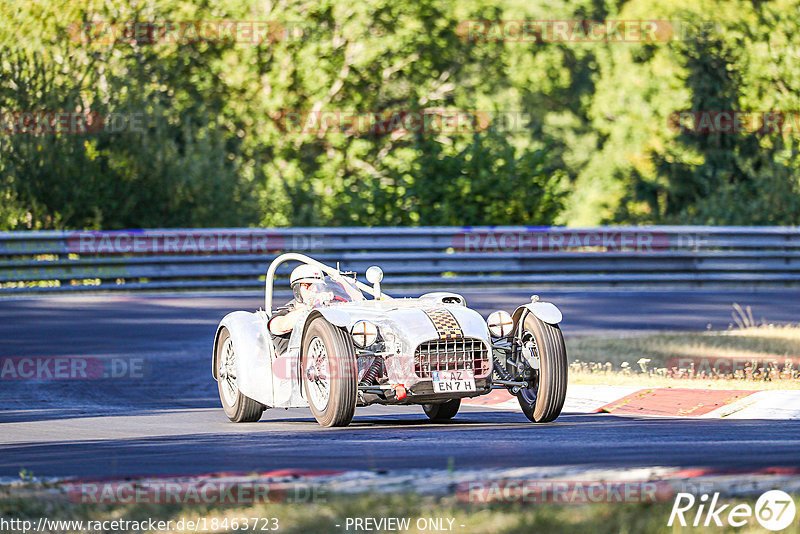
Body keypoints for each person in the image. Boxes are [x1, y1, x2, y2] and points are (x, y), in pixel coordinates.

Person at [268, 265, 326, 355]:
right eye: (308, 285)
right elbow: (281, 326)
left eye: (319, 286)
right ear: (297, 289)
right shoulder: (284, 313)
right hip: (291, 364)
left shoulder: (326, 311)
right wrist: (312, 305)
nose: (315, 289)